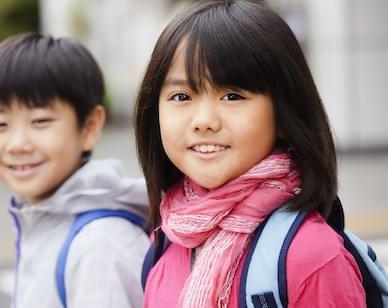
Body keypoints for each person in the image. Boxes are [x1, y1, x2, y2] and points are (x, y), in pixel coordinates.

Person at [134, 1, 366, 307]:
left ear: (284, 114)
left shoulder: (311, 255)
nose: (204, 120)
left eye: (232, 96)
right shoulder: (167, 237)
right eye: (181, 96)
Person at [0, 33, 149, 308]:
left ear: (89, 126)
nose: (18, 144)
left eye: (40, 121)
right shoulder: (43, 220)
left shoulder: (99, 245)